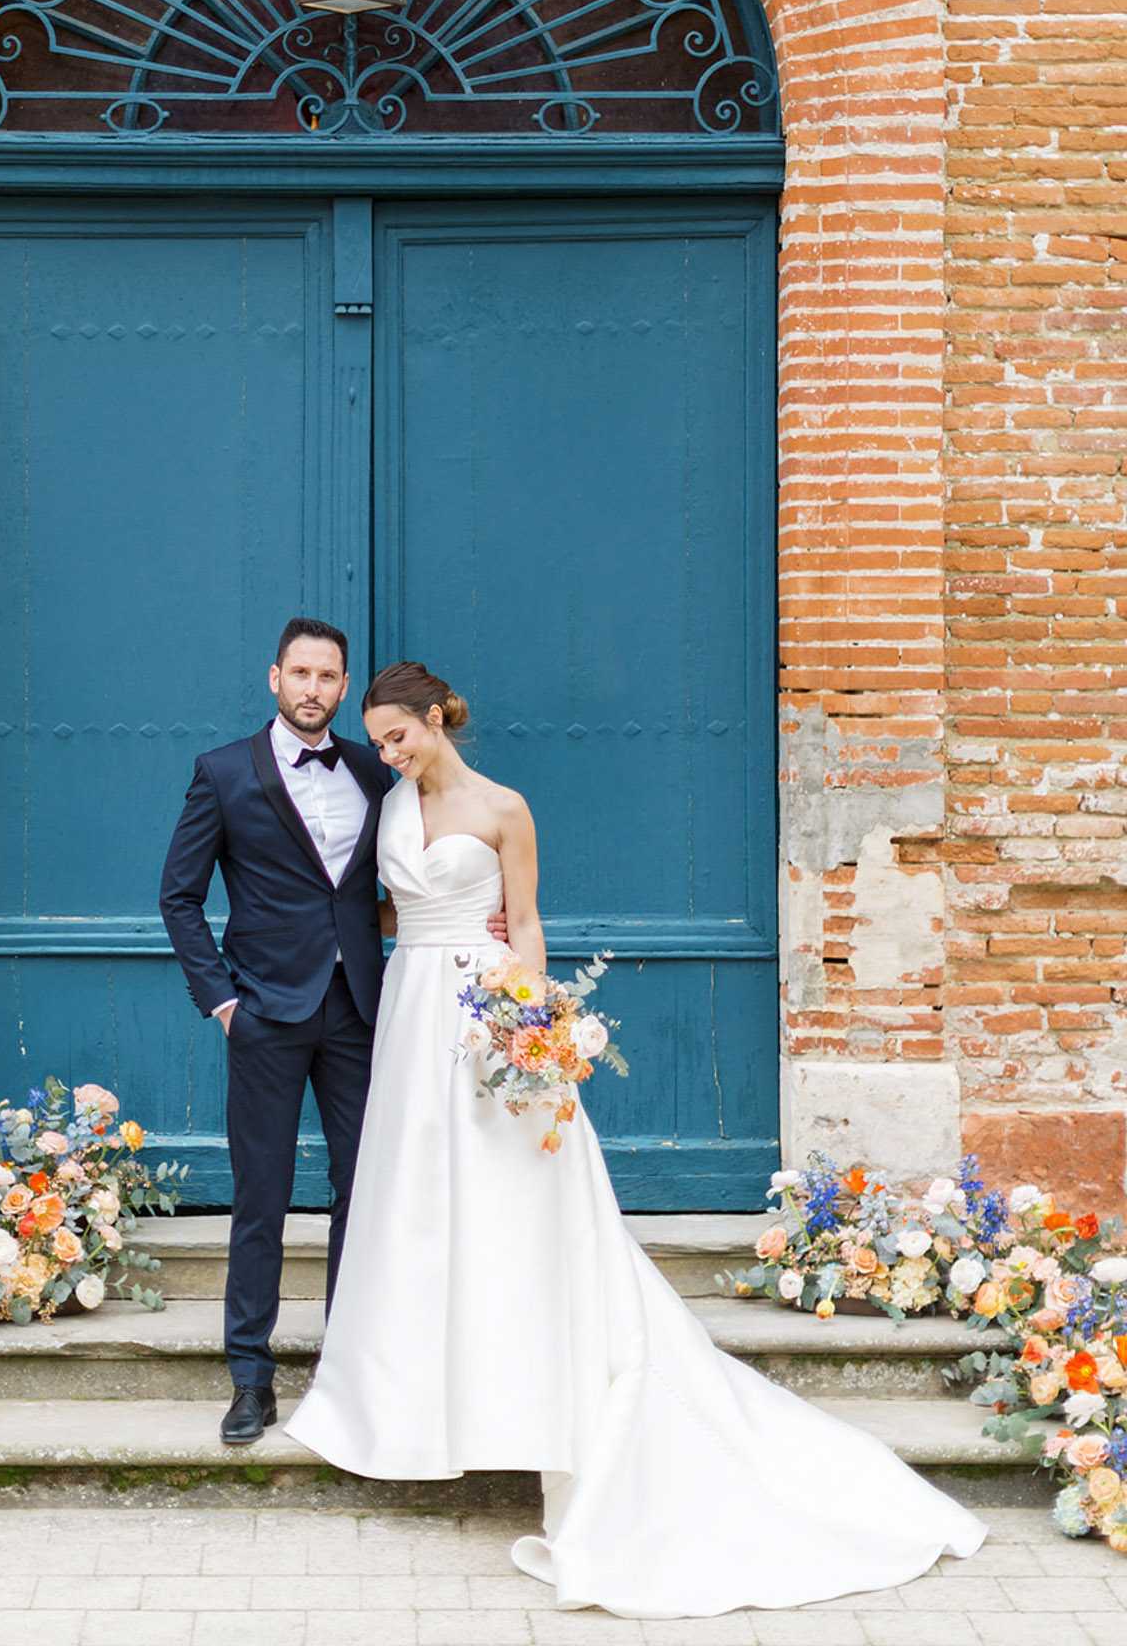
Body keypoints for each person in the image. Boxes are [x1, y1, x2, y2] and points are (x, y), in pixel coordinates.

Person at [283, 660, 988, 1619]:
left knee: (512, 1213)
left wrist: (526, 1027)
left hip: (485, 1011)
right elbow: (381, 910)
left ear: (438, 718)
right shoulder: (390, 808)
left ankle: (537, 1407)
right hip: (410, 1009)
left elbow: (524, 924)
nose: (387, 754)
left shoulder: (505, 809)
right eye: (378, 743)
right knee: (414, 1206)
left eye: (399, 736)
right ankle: (405, 1411)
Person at [158, 620, 505, 1447]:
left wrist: (467, 916)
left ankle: (349, 1370)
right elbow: (179, 896)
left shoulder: (373, 770)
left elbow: (385, 890)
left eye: (328, 676)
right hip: (266, 1017)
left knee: (368, 1195)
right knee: (261, 1199)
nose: (314, 689)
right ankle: (250, 1377)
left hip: (363, 1014)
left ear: (344, 688)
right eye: (301, 673)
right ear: (275, 677)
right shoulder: (221, 773)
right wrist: (222, 1001)